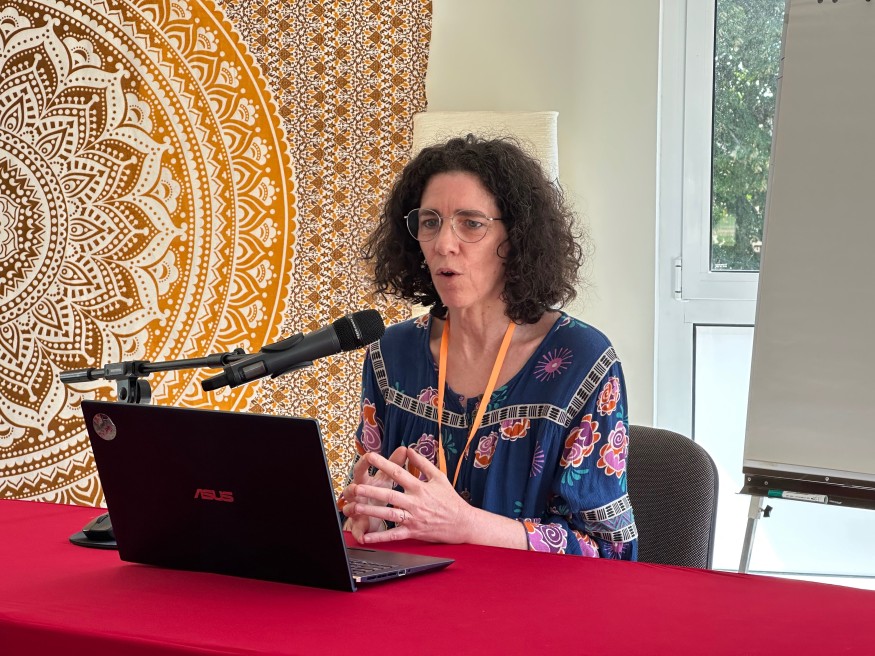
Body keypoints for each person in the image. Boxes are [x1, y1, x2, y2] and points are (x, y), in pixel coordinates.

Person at [339, 135, 637, 559]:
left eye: (471, 223)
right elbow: (377, 498)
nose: (444, 243)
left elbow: (608, 551)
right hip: (412, 592)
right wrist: (368, 517)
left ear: (515, 237)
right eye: (430, 222)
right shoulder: (392, 353)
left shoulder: (582, 362)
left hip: (528, 597)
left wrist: (467, 525)